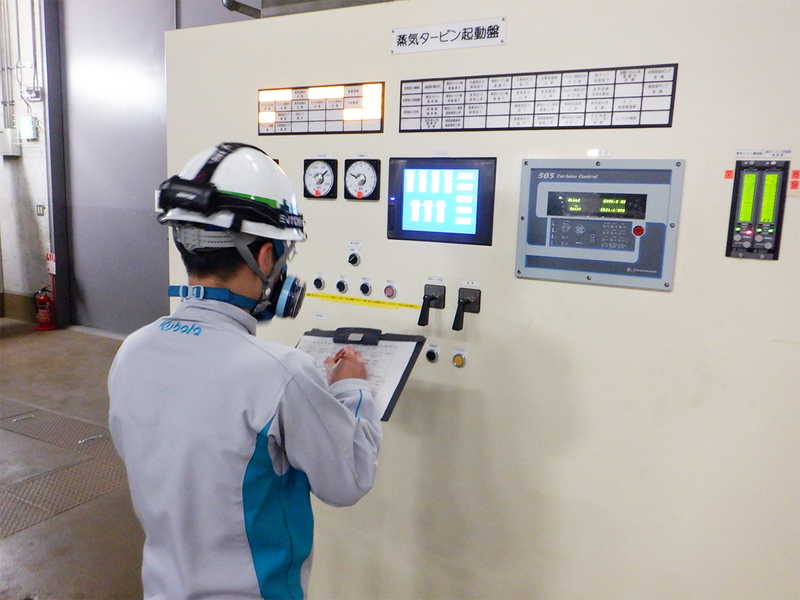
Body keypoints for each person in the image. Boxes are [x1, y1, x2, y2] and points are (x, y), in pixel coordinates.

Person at [108, 142, 382, 600]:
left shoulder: (132, 351)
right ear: (266, 256)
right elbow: (349, 479)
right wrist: (352, 386)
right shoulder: (281, 373)